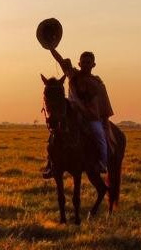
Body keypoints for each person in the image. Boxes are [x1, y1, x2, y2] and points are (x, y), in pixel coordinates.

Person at [44, 48, 114, 176]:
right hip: (72, 111)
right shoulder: (73, 74)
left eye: (88, 62)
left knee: (99, 135)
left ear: (93, 65)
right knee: (54, 133)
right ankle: (51, 164)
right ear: (79, 63)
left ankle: (102, 163)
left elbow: (103, 104)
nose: (86, 65)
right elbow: (60, 60)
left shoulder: (97, 83)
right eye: (83, 62)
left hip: (91, 116)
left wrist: (102, 118)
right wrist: (51, 48)